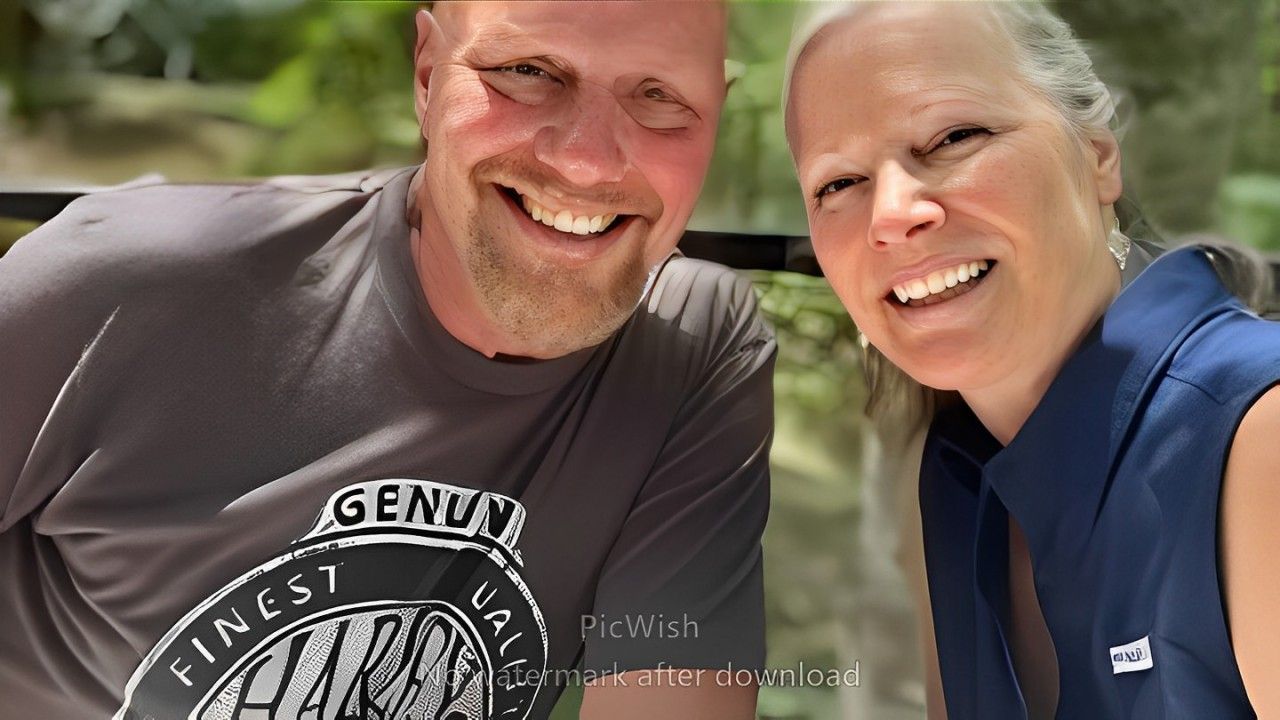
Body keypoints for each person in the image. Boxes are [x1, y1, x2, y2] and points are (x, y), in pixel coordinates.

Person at [0, 2, 773, 719]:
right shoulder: (127, 277)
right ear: (429, 75)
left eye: (660, 96)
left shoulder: (696, 347)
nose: (587, 162)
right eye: (529, 73)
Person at [784, 2, 1280, 718]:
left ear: (1098, 155)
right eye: (838, 184)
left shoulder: (1256, 430)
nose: (892, 211)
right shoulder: (952, 473)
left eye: (955, 136)